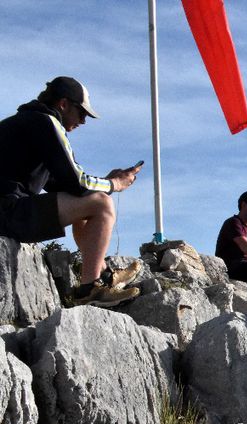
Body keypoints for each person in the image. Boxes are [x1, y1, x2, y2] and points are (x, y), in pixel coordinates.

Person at [0, 76, 143, 307]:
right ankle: (89, 289)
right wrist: (115, 184)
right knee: (101, 204)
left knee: (88, 201)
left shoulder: (28, 121)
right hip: (9, 212)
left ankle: (105, 275)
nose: (84, 121)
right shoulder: (46, 122)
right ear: (64, 104)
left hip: (9, 209)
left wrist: (106, 182)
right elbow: (77, 181)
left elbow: (64, 186)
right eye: (82, 113)